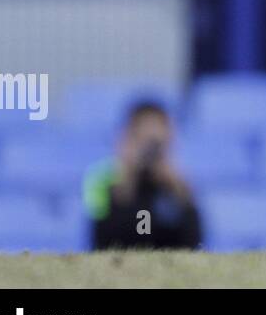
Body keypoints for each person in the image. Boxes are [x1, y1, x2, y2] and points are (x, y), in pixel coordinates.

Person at [83, 101, 202, 250]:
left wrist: (177, 190)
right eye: (142, 139)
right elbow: (100, 243)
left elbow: (194, 244)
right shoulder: (103, 183)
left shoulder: (179, 189)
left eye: (155, 143)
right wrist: (127, 181)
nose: (149, 151)